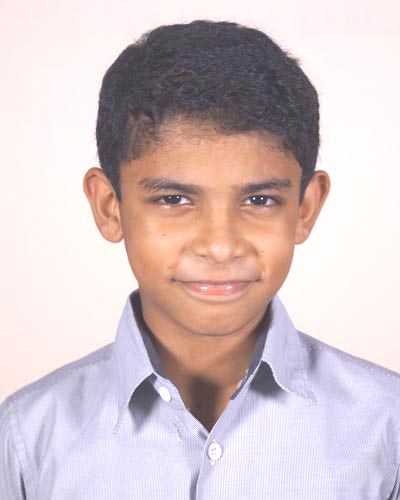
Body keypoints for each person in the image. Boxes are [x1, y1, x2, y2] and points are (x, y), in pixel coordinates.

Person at [1, 19, 399, 499]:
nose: (220, 246)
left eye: (259, 200)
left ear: (305, 207)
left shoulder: (387, 427)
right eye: (174, 199)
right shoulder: (27, 440)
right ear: (109, 207)